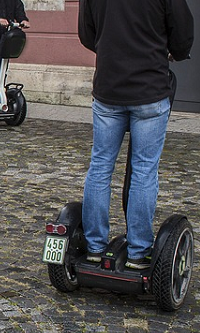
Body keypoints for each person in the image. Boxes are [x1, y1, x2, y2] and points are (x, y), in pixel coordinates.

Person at [78, 0, 193, 269]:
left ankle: (95, 247)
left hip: (109, 87)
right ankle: (138, 252)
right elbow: (183, 31)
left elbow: (87, 34)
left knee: (100, 166)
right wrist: (174, 52)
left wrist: (112, 50)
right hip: (149, 89)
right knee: (144, 169)